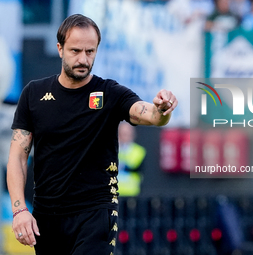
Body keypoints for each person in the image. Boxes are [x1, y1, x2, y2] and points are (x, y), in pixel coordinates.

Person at [6, 14, 177, 255]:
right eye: (75, 51)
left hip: (96, 212)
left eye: (90, 51)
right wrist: (19, 210)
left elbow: (150, 115)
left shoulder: (110, 93)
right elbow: (17, 158)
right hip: (47, 215)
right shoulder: (34, 94)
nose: (83, 59)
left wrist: (163, 109)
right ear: (60, 49)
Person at [117, 121, 146, 196]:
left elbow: (135, 168)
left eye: (127, 134)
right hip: (113, 192)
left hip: (131, 192)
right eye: (122, 134)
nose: (124, 137)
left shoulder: (138, 151)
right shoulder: (111, 149)